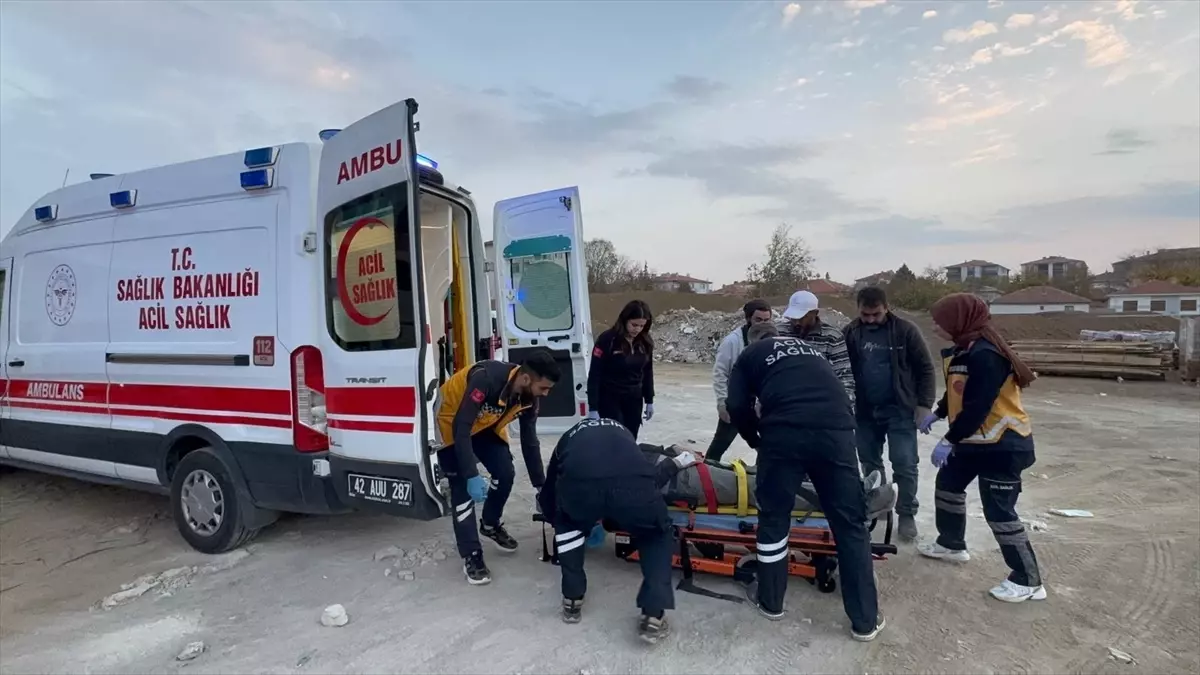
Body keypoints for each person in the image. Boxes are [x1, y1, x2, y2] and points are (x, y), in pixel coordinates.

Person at [726, 322, 885, 641]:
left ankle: (770, 602)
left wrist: (756, 440)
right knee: (850, 525)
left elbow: (736, 406)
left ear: (751, 340)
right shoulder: (813, 352)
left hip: (784, 433)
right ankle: (865, 621)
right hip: (837, 432)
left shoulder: (749, 355)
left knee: (773, 518)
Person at [917, 293, 1046, 603]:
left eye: (940, 320)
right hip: (974, 442)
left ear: (958, 321)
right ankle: (951, 543)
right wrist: (938, 413)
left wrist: (948, 440)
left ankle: (1028, 580)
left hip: (1003, 445)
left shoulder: (987, 355)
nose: (935, 326)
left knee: (999, 511)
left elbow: (977, 407)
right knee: (947, 485)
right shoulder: (964, 351)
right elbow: (957, 391)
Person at [538, 417, 697, 643]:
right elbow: (646, 478)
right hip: (632, 490)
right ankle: (653, 616)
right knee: (656, 533)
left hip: (581, 488)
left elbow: (550, 486)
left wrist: (557, 519)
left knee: (568, 524)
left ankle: (572, 600)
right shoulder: (625, 436)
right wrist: (676, 463)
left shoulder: (568, 438)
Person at [434, 350, 561, 585]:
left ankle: (490, 524)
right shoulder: (486, 379)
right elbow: (461, 427)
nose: (546, 393)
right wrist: (471, 473)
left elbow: (529, 441)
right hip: (451, 427)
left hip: (483, 427)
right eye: (543, 388)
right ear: (525, 379)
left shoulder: (528, 399)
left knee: (505, 473)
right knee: (462, 489)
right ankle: (472, 555)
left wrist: (541, 486)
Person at [842, 286, 937, 542]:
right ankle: (879, 506)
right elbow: (840, 369)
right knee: (870, 463)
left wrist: (924, 405)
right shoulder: (851, 333)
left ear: (886, 308)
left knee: (905, 464)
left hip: (900, 410)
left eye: (876, 314)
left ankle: (906, 513)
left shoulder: (906, 331)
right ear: (858, 309)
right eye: (865, 314)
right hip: (864, 412)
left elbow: (926, 369)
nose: (870, 319)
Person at [708, 299, 774, 461]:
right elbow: (720, 373)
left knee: (767, 445)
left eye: (767, 320)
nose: (763, 324)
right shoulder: (732, 342)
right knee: (719, 445)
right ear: (748, 319)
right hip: (736, 402)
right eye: (758, 320)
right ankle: (705, 474)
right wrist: (722, 403)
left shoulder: (772, 339)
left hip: (761, 403)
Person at [587, 299, 656, 438]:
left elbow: (648, 372)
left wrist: (649, 400)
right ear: (625, 320)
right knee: (615, 437)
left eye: (642, 326)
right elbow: (595, 374)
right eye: (634, 324)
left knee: (630, 437)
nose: (637, 329)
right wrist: (593, 407)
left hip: (634, 398)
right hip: (610, 397)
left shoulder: (645, 342)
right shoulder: (608, 340)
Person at [776, 290, 855, 403]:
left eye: (803, 317)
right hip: (785, 401)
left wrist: (846, 406)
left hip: (820, 401)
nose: (797, 322)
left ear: (815, 313)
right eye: (794, 317)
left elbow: (844, 376)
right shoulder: (779, 332)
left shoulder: (832, 336)